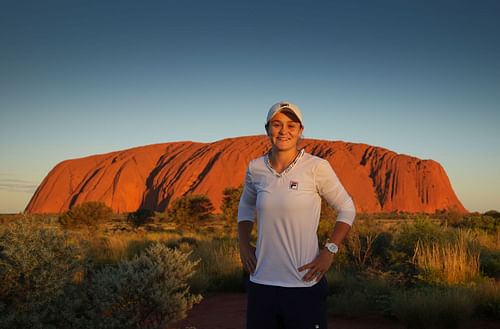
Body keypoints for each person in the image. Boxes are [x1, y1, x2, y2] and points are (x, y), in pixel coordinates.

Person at [237, 101, 356, 329]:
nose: (284, 131)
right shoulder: (255, 168)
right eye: (277, 124)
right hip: (261, 282)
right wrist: (243, 244)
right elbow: (245, 206)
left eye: (291, 125)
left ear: (301, 131)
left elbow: (347, 207)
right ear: (267, 129)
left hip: (304, 284)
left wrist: (329, 250)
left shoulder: (316, 167)